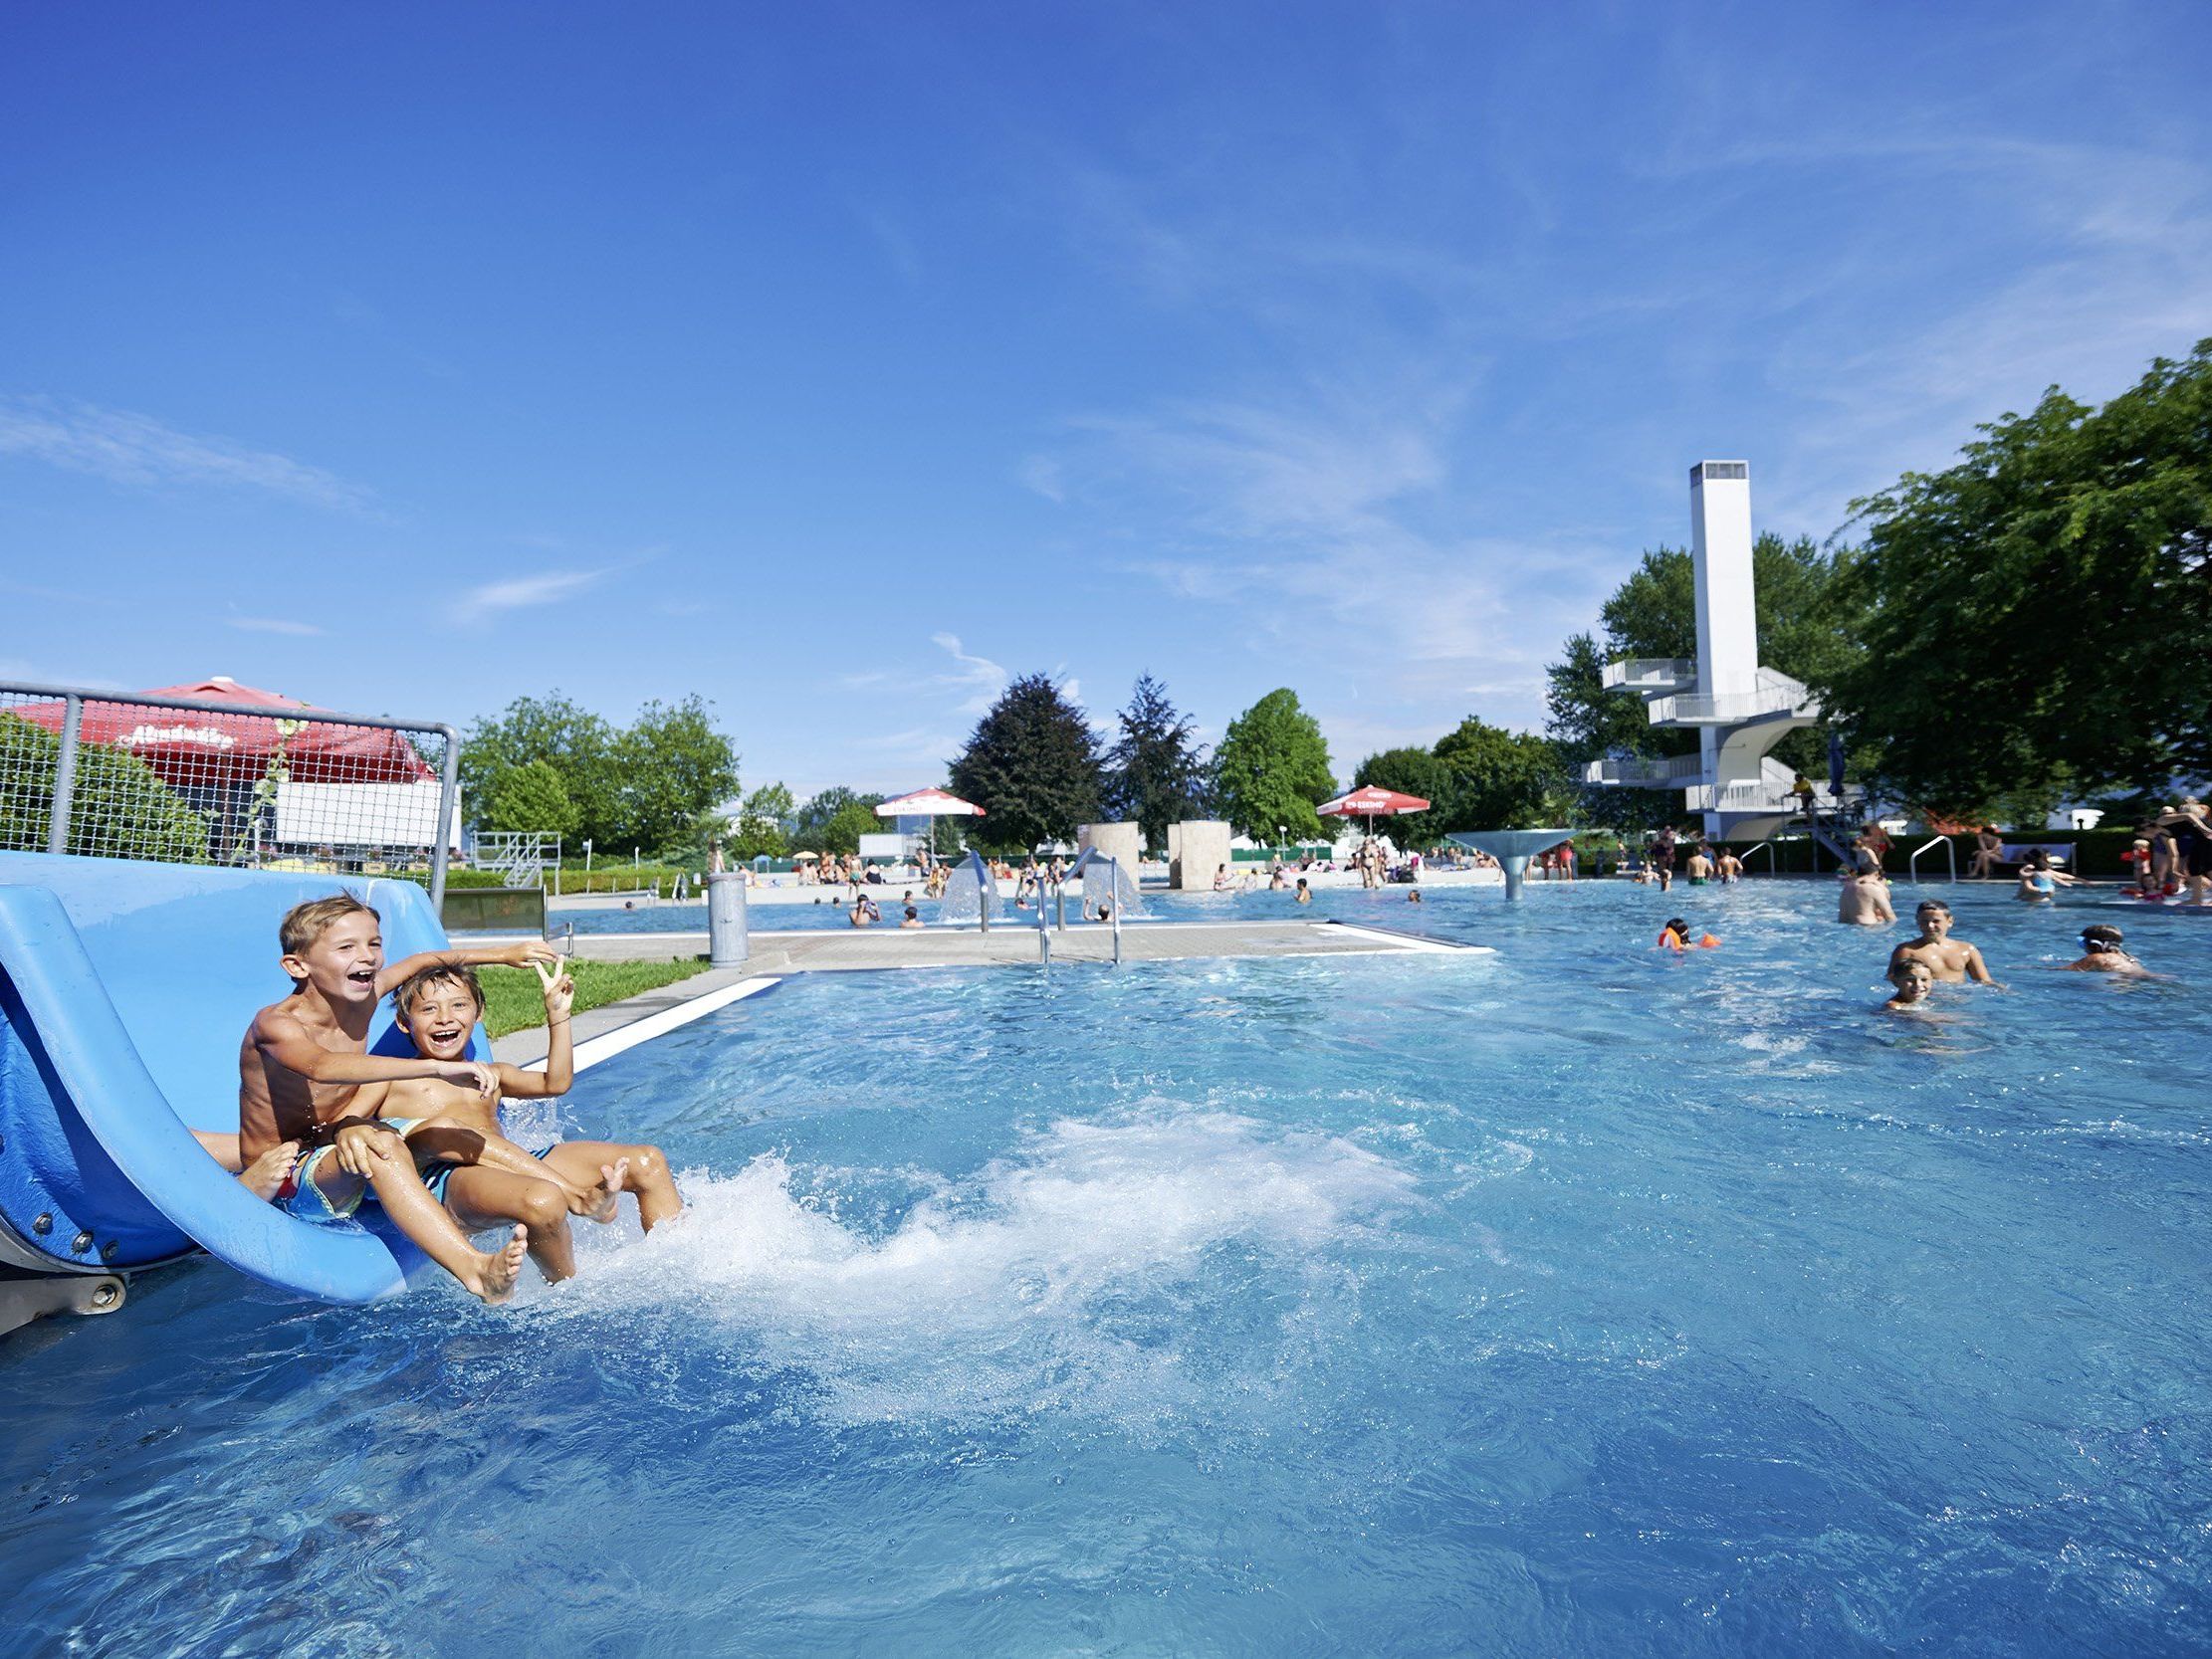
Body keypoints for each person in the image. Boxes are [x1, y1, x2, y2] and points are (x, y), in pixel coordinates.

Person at [235, 894, 552, 1303]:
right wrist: (435, 1067)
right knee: (383, 1144)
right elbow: (322, 1066)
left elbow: (423, 961)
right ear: (298, 965)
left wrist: (503, 954)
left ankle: (557, 1190)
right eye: (346, 948)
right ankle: (475, 1271)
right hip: (290, 1171)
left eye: (374, 944)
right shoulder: (276, 1024)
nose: (367, 957)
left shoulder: (362, 997)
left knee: (439, 1129)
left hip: (333, 1141)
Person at [385, 959, 683, 1282]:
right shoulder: (393, 1079)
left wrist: (558, 1017)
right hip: (453, 1181)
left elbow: (555, 1083)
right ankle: (568, 1293)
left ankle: (677, 1270)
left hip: (520, 1164)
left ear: (478, 1012)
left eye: (459, 1005)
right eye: (428, 1009)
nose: (445, 1018)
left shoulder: (492, 1073)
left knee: (648, 1162)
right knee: (544, 1199)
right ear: (405, 1021)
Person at [1889, 900, 1994, 984]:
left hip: (1960, 1000)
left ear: (1950, 921)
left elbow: (1985, 982)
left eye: (1936, 921)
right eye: (1924, 921)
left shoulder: (1966, 949)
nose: (1930, 926)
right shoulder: (1907, 951)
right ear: (1917, 921)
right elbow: (1893, 981)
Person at [2064, 924, 2147, 976]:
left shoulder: (2096, 958)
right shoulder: (2130, 958)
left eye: (2083, 943)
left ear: (2095, 945)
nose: (2084, 949)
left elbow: (2064, 970)